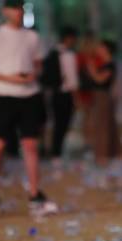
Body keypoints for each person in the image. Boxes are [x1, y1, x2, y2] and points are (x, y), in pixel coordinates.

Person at [0, 0, 50, 215]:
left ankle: (34, 193)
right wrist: (10, 78)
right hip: (5, 95)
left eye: (20, 8)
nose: (18, 12)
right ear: (5, 11)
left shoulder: (32, 36)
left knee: (30, 144)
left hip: (29, 95)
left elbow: (38, 64)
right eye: (14, 8)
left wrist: (31, 76)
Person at [42, 26, 79, 159]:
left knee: (57, 124)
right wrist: (76, 98)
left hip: (54, 94)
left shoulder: (52, 53)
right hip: (64, 94)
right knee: (62, 124)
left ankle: (54, 151)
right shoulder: (67, 55)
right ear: (69, 38)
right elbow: (72, 80)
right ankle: (56, 152)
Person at [88, 39, 122, 164]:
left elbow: (100, 80)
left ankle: (102, 155)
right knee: (109, 125)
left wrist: (91, 69)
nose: (98, 50)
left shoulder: (109, 64)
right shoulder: (104, 64)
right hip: (101, 96)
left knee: (102, 126)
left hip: (104, 96)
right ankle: (116, 153)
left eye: (100, 47)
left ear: (106, 50)